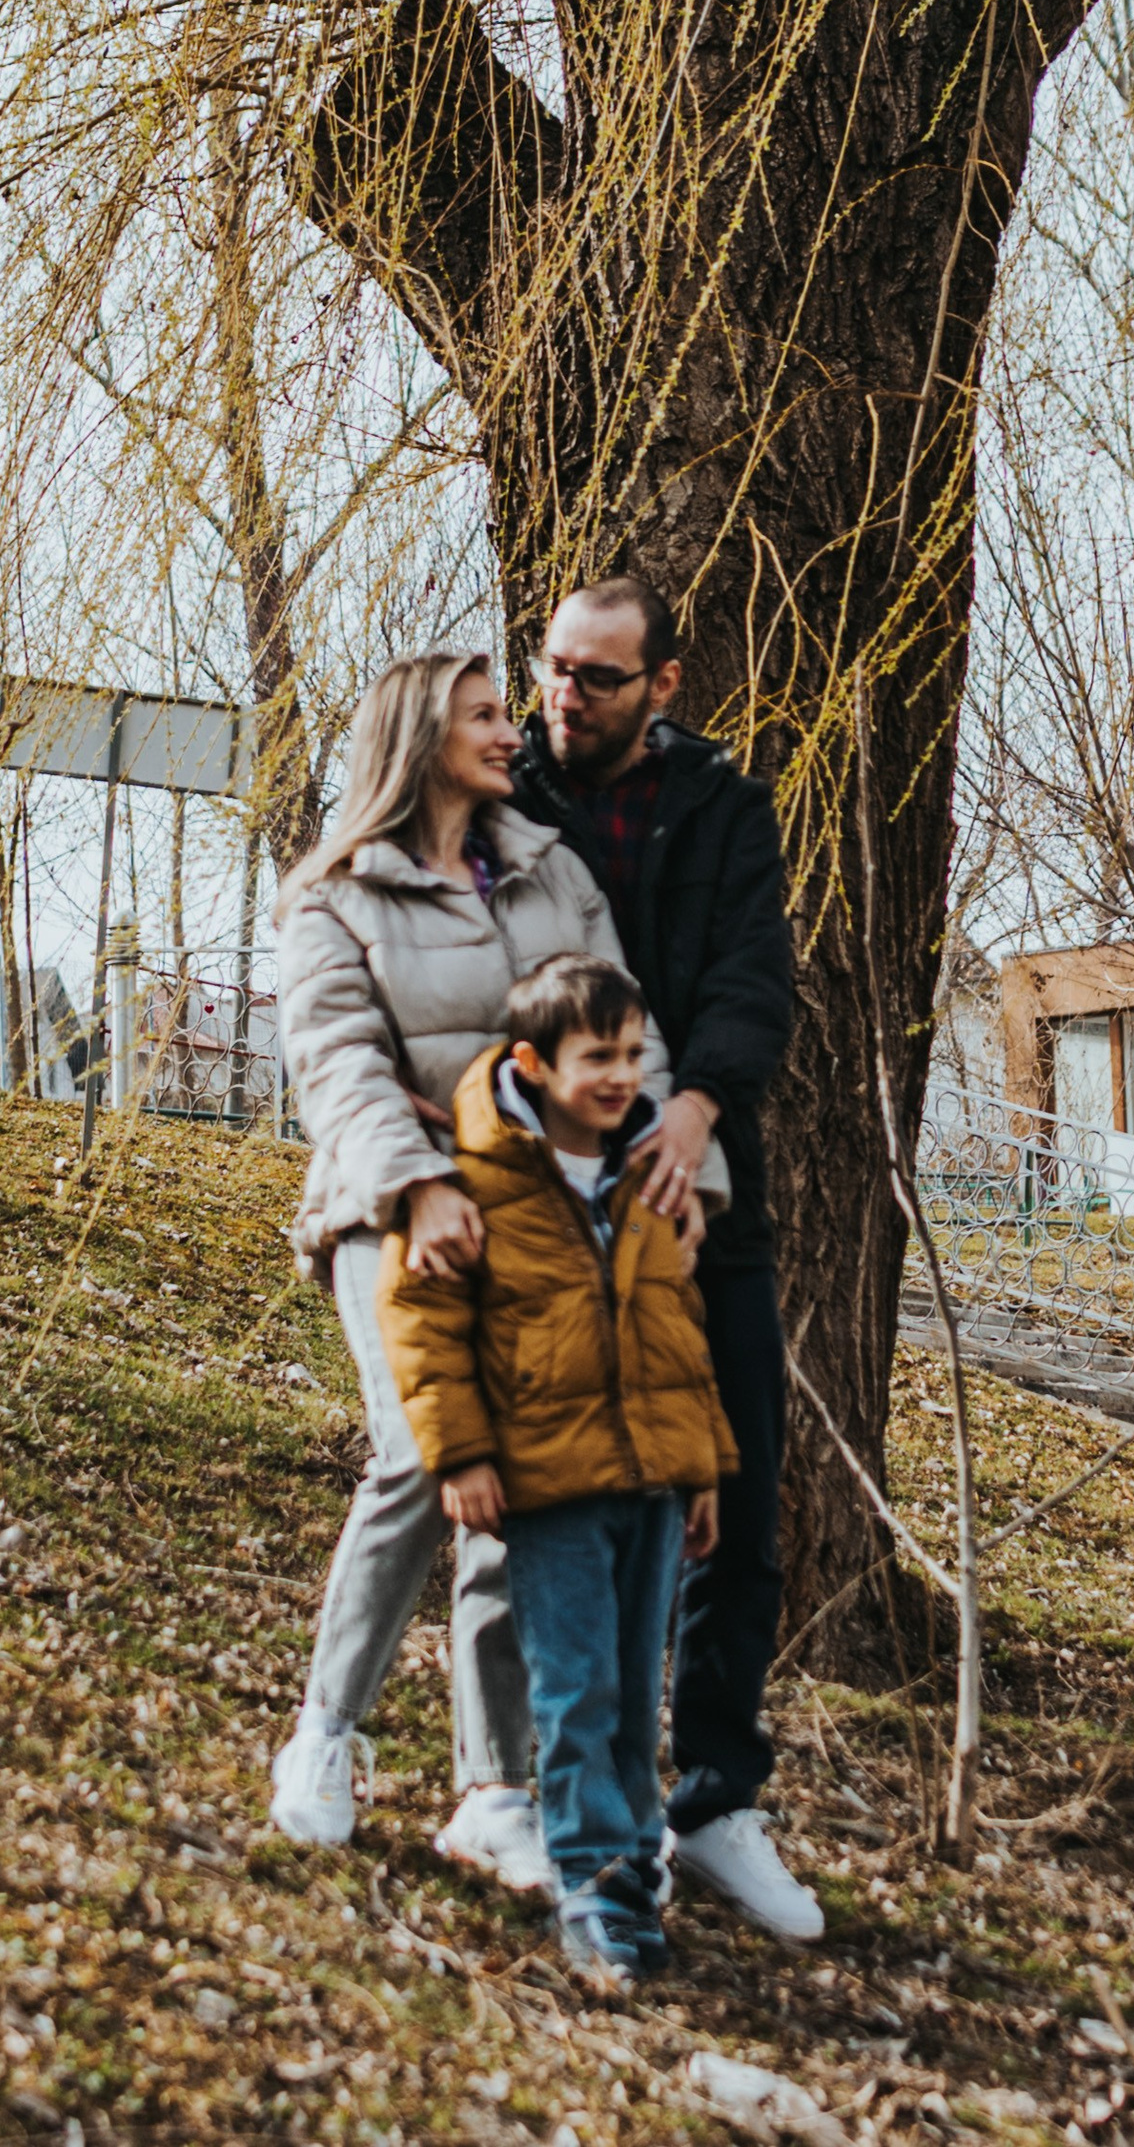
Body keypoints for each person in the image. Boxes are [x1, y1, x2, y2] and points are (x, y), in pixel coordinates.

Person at [270, 646, 718, 1890]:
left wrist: (674, 1183)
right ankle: (326, 1731)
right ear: (418, 734)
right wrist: (417, 1186)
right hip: (390, 1203)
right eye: (480, 714)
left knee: (522, 1482)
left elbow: (625, 1033)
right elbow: (338, 1063)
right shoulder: (334, 898)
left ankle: (491, 1789)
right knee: (421, 1451)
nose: (507, 731)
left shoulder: (548, 869)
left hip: (542, 1213)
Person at [513, 571, 819, 1943]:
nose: (565, 701)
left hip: (697, 1192)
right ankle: (536, 1796)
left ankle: (714, 1803)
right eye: (554, 670)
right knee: (544, 1501)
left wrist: (695, 1107)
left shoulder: (724, 811)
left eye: (599, 680)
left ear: (664, 687)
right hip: (546, 1202)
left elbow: (759, 981)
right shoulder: (502, 797)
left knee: (735, 1499)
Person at [380, 953, 738, 1985]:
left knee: (634, 1693)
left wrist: (703, 1468)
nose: (622, 1076)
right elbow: (427, 1326)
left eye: (633, 1055)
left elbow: (680, 1331)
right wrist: (460, 1455)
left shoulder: (648, 1181)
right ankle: (590, 1883)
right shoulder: (476, 1181)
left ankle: (629, 1863)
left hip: (653, 1487)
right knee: (575, 1688)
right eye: (598, 1056)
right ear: (533, 1064)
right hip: (550, 1491)